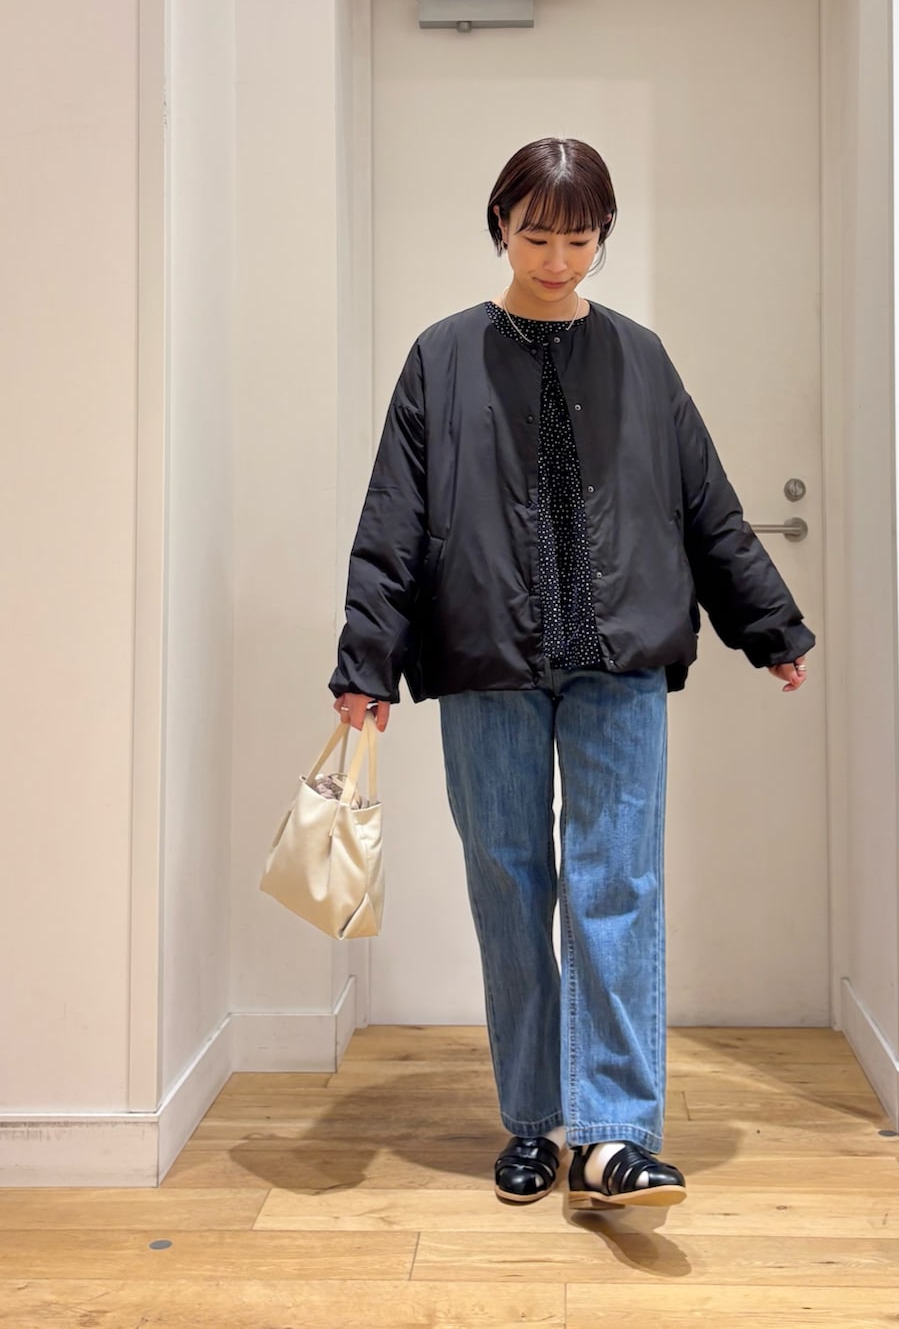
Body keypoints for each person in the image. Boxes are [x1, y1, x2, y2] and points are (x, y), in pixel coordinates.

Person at [329, 138, 815, 1210]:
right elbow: (393, 520)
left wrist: (768, 623)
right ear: (499, 226)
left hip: (620, 659)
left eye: (580, 238)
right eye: (537, 235)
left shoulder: (640, 356)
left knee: (618, 885)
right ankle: (535, 1120)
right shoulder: (442, 356)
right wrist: (366, 659)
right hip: (485, 659)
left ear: (604, 235)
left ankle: (612, 1135)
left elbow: (707, 504)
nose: (558, 260)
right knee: (509, 886)